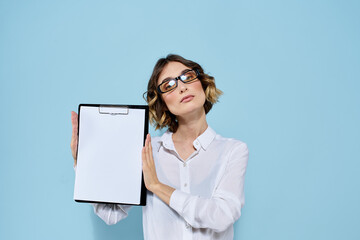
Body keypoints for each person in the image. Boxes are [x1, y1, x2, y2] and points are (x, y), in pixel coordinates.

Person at [70, 54, 249, 240]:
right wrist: (83, 162)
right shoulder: (148, 151)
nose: (182, 87)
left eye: (187, 76)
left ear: (202, 83)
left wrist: (156, 186)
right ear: (162, 103)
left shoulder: (233, 151)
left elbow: (222, 216)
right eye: (168, 85)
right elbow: (111, 214)